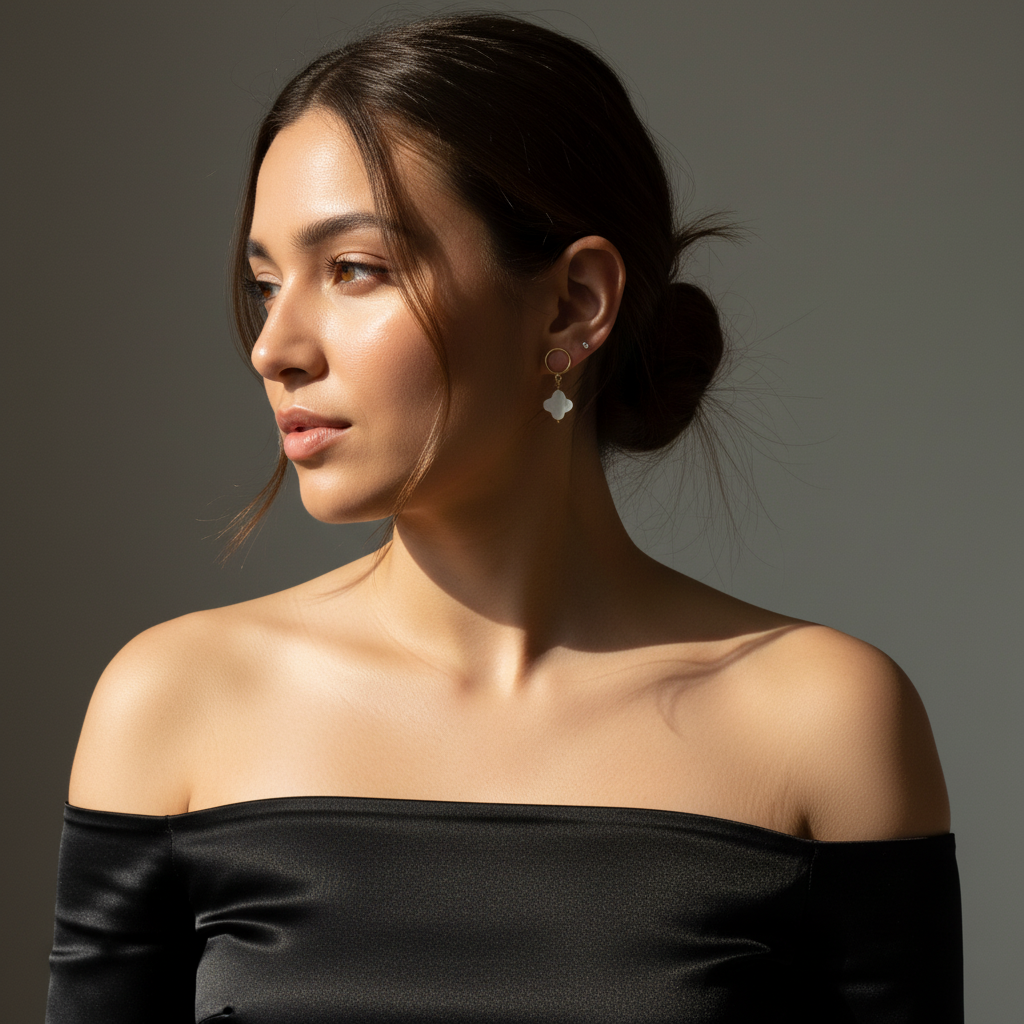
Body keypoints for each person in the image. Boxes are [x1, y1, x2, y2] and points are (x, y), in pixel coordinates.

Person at [45, 12, 962, 1023]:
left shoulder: (822, 719)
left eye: (353, 269)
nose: (274, 346)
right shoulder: (171, 702)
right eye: (266, 283)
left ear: (572, 305)